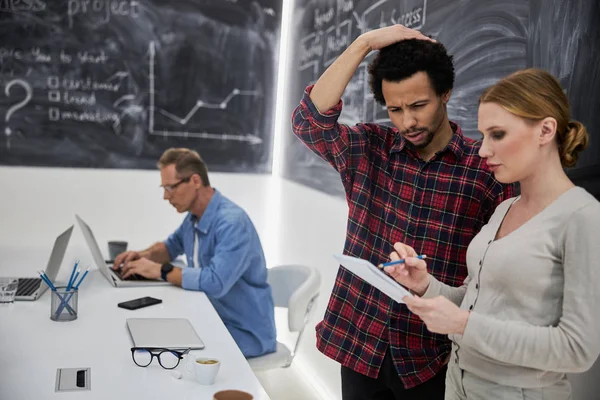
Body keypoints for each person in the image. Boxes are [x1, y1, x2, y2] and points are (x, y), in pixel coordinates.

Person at [291, 24, 517, 399]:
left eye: (418, 106)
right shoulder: (368, 148)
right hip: (360, 337)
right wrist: (364, 44)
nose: (407, 121)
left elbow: (495, 276)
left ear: (445, 93)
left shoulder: (485, 172)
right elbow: (308, 122)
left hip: (430, 354)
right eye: (394, 109)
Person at [386, 68, 600, 400]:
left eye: (497, 134)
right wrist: (426, 286)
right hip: (459, 381)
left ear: (545, 130)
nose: (483, 150)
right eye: (483, 135)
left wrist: (463, 325)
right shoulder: (505, 207)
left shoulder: (583, 218)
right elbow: (477, 301)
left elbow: (576, 350)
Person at [112, 147, 277, 358]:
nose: (165, 196)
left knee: (166, 353)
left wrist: (159, 271)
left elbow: (215, 282)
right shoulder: (194, 218)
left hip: (244, 332)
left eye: (170, 188)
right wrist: (141, 256)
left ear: (195, 181)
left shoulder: (232, 223)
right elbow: (170, 247)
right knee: (149, 337)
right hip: (211, 318)